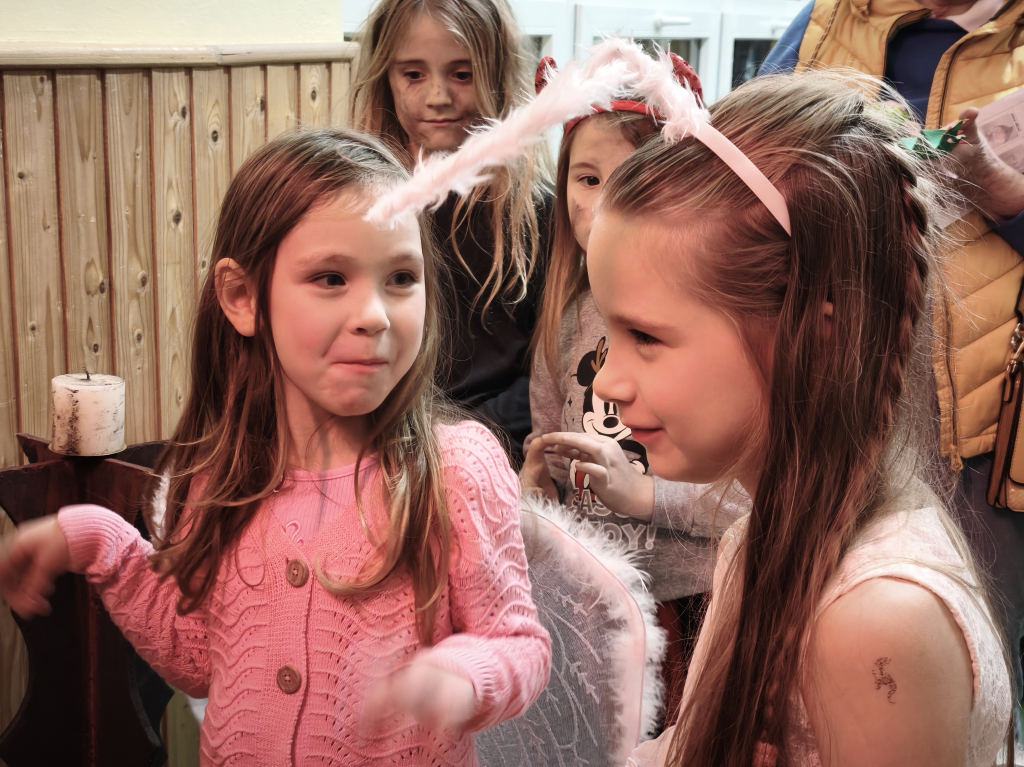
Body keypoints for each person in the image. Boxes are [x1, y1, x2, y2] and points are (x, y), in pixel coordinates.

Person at [0, 129, 551, 766]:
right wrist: (101, 543)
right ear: (242, 297)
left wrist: (465, 673)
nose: (375, 313)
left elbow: (520, 644)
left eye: (402, 277)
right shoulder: (220, 478)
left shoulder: (456, 470)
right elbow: (200, 660)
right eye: (331, 278)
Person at [578, 70, 1012, 766]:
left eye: (647, 337)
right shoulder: (762, 534)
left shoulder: (875, 622)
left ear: (815, 337)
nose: (606, 380)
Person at [762, 0, 1024, 735]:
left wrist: (1009, 201)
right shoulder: (829, 20)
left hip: (989, 444)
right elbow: (747, 176)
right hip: (835, 404)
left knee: (970, 669)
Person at [520, 54, 748, 722]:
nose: (601, 204)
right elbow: (548, 438)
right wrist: (537, 485)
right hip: (592, 598)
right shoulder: (563, 320)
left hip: (690, 602)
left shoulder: (706, 324)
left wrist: (644, 495)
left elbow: (750, 497)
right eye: (587, 178)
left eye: (628, 180)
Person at [352, 0, 552, 459]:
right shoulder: (363, 208)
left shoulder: (539, 211)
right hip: (382, 438)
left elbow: (548, 375)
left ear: (497, 76)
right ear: (386, 79)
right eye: (413, 74)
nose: (438, 96)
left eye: (462, 74)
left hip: (497, 449)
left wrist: (456, 445)